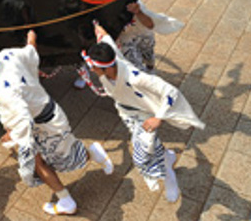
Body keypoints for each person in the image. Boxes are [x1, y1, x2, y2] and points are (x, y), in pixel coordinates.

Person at [0, 31, 113, 215]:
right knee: (43, 161)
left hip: (46, 124)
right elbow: (30, 51)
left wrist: (13, 135)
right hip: (45, 113)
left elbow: (23, 118)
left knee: (52, 161)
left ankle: (72, 190)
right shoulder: (7, 55)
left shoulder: (6, 92)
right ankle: (69, 192)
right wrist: (32, 37)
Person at [85, 23, 205, 203]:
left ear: (107, 68)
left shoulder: (135, 78)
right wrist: (95, 22)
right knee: (150, 146)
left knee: (142, 156)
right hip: (128, 114)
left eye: (93, 66)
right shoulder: (109, 58)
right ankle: (167, 160)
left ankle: (168, 176)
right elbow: (103, 37)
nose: (91, 70)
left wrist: (159, 117)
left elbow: (171, 92)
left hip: (145, 114)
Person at [115, 2, 184, 72]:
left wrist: (138, 12)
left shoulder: (135, 4)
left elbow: (150, 25)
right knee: (135, 66)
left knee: (149, 57)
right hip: (126, 40)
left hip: (144, 36)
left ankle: (150, 68)